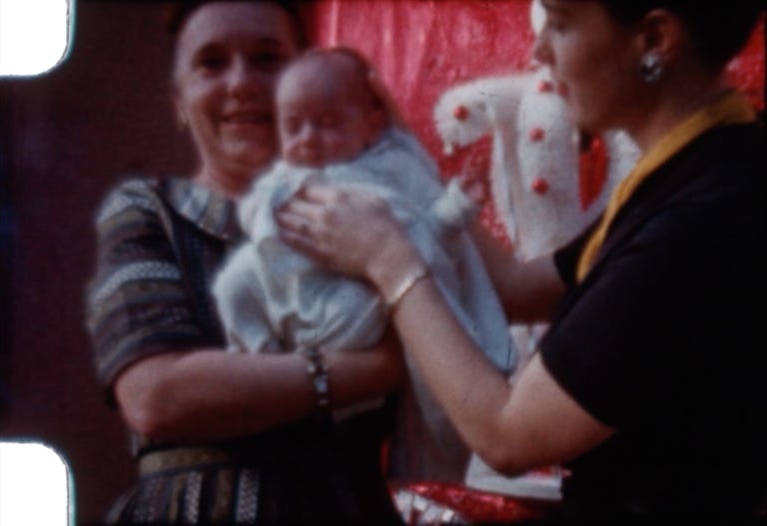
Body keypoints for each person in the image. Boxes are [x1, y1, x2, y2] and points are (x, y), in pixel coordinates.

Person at [277, 0, 767, 522]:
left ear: (654, 40)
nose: (538, 51)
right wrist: (405, 159)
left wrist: (388, 261)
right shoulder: (698, 169)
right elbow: (515, 288)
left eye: (560, 24)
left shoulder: (705, 215)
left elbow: (509, 435)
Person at [85, 2, 406, 523]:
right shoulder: (149, 212)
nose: (241, 83)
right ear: (179, 102)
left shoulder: (366, 212)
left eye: (267, 59)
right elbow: (156, 395)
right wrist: (369, 371)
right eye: (211, 64)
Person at [212, 47, 515, 482]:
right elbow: (253, 214)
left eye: (328, 123)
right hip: (288, 291)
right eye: (293, 126)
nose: (308, 138)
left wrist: (457, 207)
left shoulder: (388, 171)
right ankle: (264, 356)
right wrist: (266, 213)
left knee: (398, 265)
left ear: (371, 124)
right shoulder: (282, 178)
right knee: (231, 284)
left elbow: (426, 237)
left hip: (355, 299)